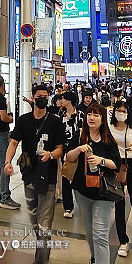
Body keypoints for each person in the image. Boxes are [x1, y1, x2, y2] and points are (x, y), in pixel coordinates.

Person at [4, 85, 66, 264]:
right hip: (29, 177)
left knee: (44, 224)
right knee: (35, 224)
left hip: (47, 178)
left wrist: (51, 154)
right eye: (39, 97)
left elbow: (60, 148)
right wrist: (7, 162)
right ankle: (44, 248)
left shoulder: (55, 122)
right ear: (33, 98)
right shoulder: (24, 120)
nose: (42, 100)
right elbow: (13, 142)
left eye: (45, 97)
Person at [65, 103, 121, 264]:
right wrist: (79, 149)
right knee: (90, 232)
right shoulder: (80, 136)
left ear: (103, 119)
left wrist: (101, 160)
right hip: (82, 192)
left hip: (104, 194)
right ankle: (95, 258)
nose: (92, 118)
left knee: (100, 236)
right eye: (90, 114)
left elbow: (117, 164)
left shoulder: (108, 141)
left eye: (96, 115)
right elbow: (69, 157)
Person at [108, 101, 132, 257]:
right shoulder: (108, 129)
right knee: (119, 202)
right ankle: (123, 240)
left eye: (123, 111)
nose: (121, 113)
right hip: (116, 165)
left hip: (131, 164)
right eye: (118, 110)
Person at [0, 76, 21, 209]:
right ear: (2, 85)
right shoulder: (0, 98)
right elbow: (3, 117)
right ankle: (5, 197)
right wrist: (11, 118)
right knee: (5, 163)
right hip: (0, 134)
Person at [59, 90, 83, 219]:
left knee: (79, 177)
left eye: (64, 98)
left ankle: (82, 203)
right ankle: (68, 207)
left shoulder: (80, 115)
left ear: (70, 100)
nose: (61, 100)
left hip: (78, 149)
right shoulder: (60, 114)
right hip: (65, 150)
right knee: (66, 177)